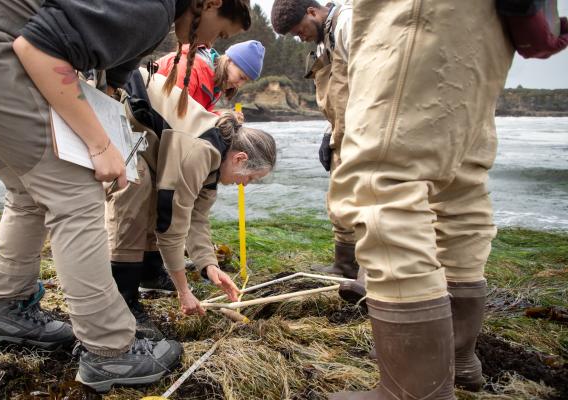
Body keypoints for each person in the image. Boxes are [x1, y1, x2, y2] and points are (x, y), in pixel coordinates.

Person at [0, 0, 251, 393]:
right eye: (219, 32)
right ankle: (111, 350)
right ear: (212, 3)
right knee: (74, 190)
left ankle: (5, 307)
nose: (210, 43)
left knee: (28, 186)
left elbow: (110, 77)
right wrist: (99, 147)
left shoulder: (151, 19)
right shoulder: (153, 11)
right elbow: (38, 49)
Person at [326, 0, 514, 398]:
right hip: (490, 24)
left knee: (382, 180)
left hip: (420, 14)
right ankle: (460, 360)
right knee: (457, 184)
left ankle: (412, 391)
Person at [106, 40, 265, 327]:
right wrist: (184, 292)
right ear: (240, 158)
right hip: (125, 108)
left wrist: (208, 266)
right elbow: (172, 226)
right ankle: (122, 302)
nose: (244, 186)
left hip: (157, 135)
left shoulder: (216, 161)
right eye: (251, 179)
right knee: (135, 195)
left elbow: (197, 216)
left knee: (158, 197)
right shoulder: (202, 152)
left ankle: (148, 274)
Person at [270, 0, 361, 282]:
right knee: (339, 201)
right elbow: (337, 95)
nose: (301, 38)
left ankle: (373, 272)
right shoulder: (324, 40)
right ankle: (345, 266)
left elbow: (368, 81)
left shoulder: (347, 23)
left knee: (369, 203)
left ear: (312, 12)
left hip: (363, 133)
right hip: (340, 132)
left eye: (301, 31)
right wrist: (328, 133)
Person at [156, 40, 266, 113]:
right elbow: (174, 114)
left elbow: (196, 116)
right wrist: (219, 119)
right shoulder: (189, 68)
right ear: (229, 60)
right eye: (241, 77)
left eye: (245, 81)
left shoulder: (216, 83)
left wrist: (224, 118)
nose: (240, 84)